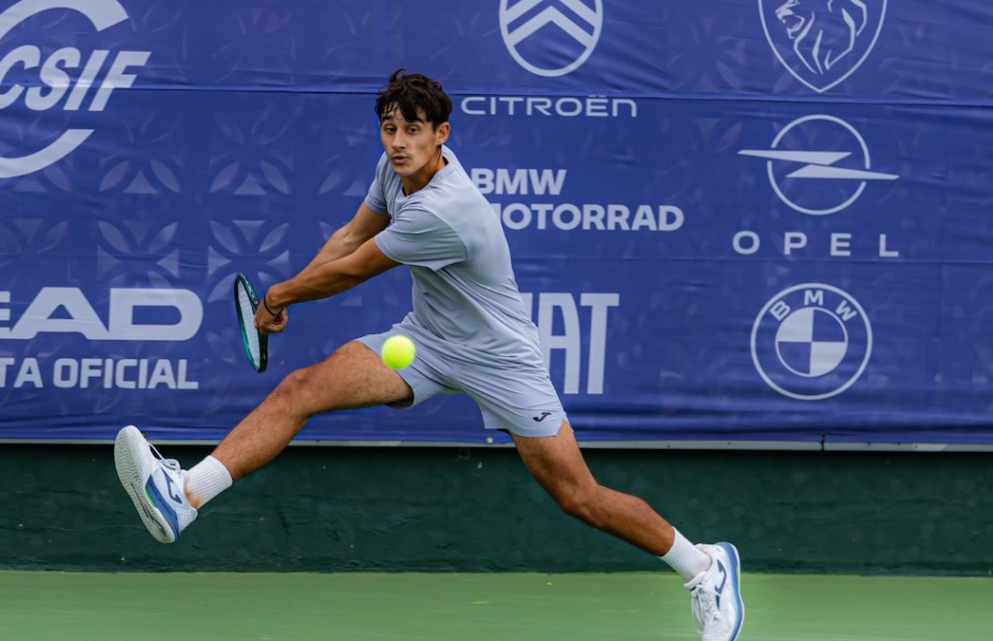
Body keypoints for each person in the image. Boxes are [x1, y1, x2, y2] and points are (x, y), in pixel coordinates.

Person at [114, 70, 744, 641]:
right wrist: (287, 297)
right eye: (389, 129)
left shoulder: (447, 209)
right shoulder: (396, 170)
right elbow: (349, 235)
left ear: (442, 134)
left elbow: (357, 269)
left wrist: (281, 293)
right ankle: (186, 495)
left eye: (413, 130)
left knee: (578, 496)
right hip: (428, 341)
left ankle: (706, 566)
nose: (398, 141)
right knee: (300, 389)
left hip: (502, 360)